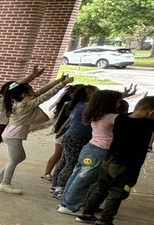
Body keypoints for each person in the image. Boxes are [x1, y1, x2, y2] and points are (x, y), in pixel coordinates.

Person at [75, 96, 154, 225]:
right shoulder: (147, 124)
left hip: (109, 160)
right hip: (126, 165)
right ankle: (104, 222)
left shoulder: (121, 118)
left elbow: (144, 108)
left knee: (100, 188)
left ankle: (86, 213)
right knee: (117, 192)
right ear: (152, 113)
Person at [56, 87, 135, 215]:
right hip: (99, 151)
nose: (120, 104)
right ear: (110, 103)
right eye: (118, 101)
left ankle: (66, 202)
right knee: (84, 179)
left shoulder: (95, 113)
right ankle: (70, 206)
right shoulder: (111, 117)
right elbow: (133, 119)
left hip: (90, 148)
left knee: (78, 175)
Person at [0, 73, 72, 194]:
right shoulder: (25, 105)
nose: (34, 91)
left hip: (11, 135)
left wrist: (59, 81)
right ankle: (5, 183)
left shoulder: (17, 100)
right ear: (24, 95)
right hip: (13, 136)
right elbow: (46, 95)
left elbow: (42, 91)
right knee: (14, 160)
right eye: (31, 90)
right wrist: (63, 84)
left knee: (19, 157)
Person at [0, 68, 42, 176]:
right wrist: (32, 75)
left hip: (5, 127)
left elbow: (17, 86)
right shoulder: (4, 99)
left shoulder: (9, 98)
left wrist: (33, 75)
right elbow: (16, 86)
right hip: (1, 127)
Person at [47, 85, 96, 197]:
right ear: (88, 94)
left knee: (64, 162)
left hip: (71, 136)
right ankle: (60, 189)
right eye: (95, 93)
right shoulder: (85, 107)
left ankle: (55, 186)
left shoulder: (78, 105)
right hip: (76, 138)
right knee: (71, 164)